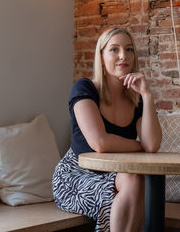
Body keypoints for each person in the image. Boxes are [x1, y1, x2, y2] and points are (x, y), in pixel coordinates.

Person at [52, 27, 162, 232]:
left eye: (129, 50)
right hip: (77, 174)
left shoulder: (135, 98)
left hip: (115, 174)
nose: (123, 56)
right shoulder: (84, 88)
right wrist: (139, 146)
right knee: (134, 184)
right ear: (101, 57)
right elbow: (100, 143)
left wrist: (147, 96)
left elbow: (153, 145)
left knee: (136, 178)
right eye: (114, 49)